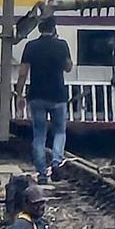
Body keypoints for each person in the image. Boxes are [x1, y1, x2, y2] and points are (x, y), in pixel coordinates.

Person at [17, 17, 73, 184]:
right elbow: (68, 67)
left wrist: (19, 94)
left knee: (39, 135)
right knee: (60, 131)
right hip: (58, 96)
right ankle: (56, 161)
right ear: (54, 28)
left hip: (36, 96)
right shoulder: (61, 45)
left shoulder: (31, 46)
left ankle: (41, 174)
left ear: (39, 29)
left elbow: (22, 73)